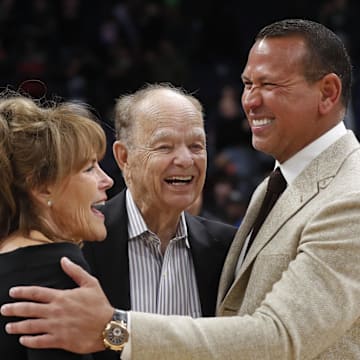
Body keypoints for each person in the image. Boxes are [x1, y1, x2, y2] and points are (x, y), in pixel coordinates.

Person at [2, 18, 360, 359]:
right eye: (249, 84)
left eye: (269, 85)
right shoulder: (73, 244)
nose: (249, 101)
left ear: (327, 92)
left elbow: (279, 336)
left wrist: (116, 330)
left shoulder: (349, 197)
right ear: (123, 158)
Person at [81, 83, 236, 359]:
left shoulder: (229, 249)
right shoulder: (81, 242)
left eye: (196, 145)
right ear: (124, 157)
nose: (186, 159)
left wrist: (112, 330)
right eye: (165, 146)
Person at [0, 90, 113, 359]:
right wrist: (114, 332)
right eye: (89, 168)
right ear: (42, 187)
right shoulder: (57, 266)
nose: (107, 180)